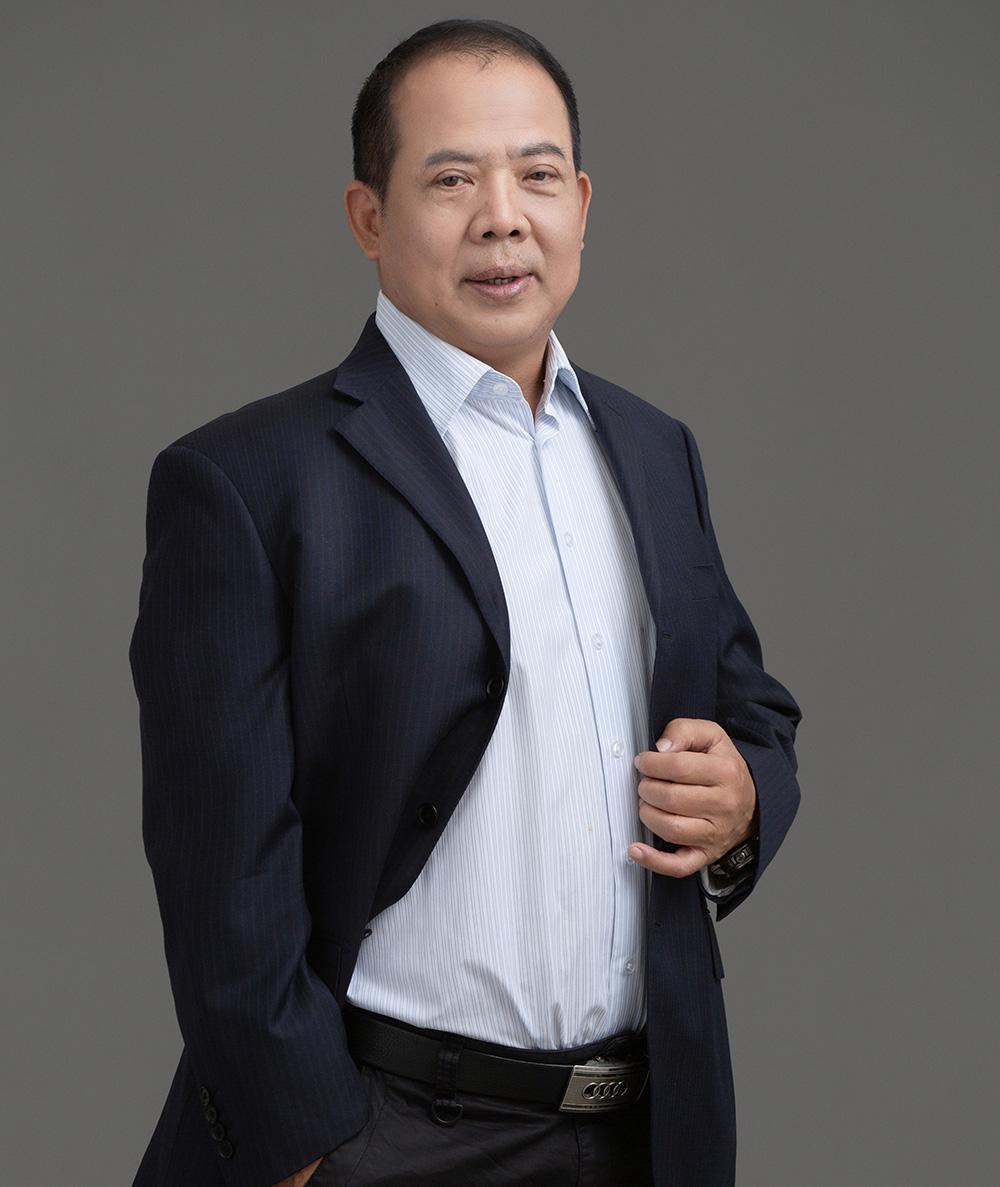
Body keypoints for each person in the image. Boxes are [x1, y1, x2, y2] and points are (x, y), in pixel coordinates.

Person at [128, 18, 802, 1187]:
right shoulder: (246, 481)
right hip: (382, 1131)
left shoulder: (654, 450)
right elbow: (218, 863)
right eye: (451, 179)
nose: (502, 215)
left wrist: (741, 794)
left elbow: (754, 715)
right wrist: (300, 1147)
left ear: (580, 204)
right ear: (369, 216)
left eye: (537, 174)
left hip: (644, 1130)